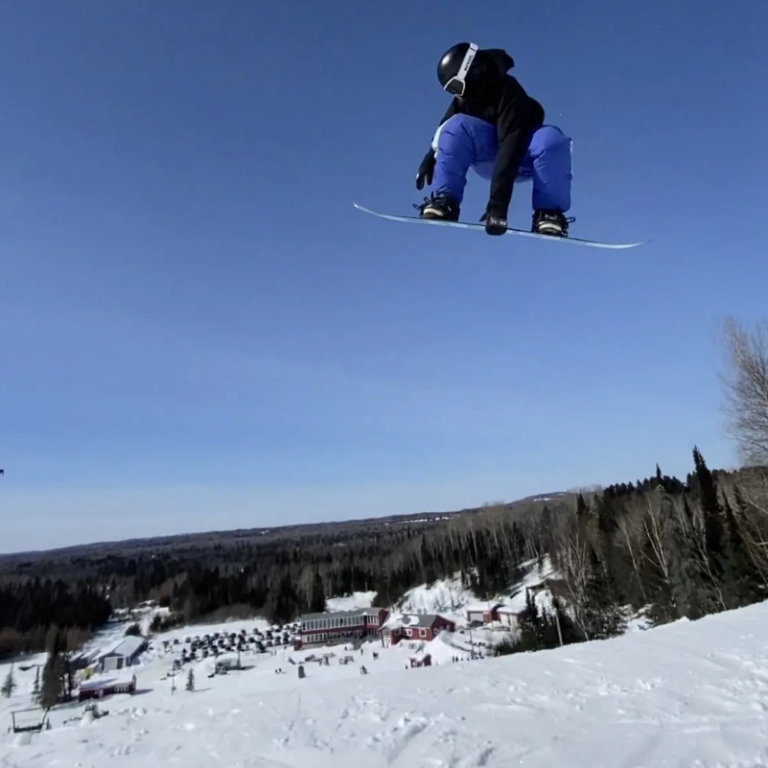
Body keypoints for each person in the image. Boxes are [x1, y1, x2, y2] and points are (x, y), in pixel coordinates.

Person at [415, 42, 573, 237]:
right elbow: (445, 127)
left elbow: (510, 148)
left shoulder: (509, 93)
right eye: (452, 90)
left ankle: (549, 214)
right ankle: (445, 201)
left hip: (523, 158)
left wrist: (497, 207)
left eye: (457, 85)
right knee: (457, 125)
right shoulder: (465, 98)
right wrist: (429, 157)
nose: (458, 94)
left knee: (551, 139)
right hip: (489, 155)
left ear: (474, 71)